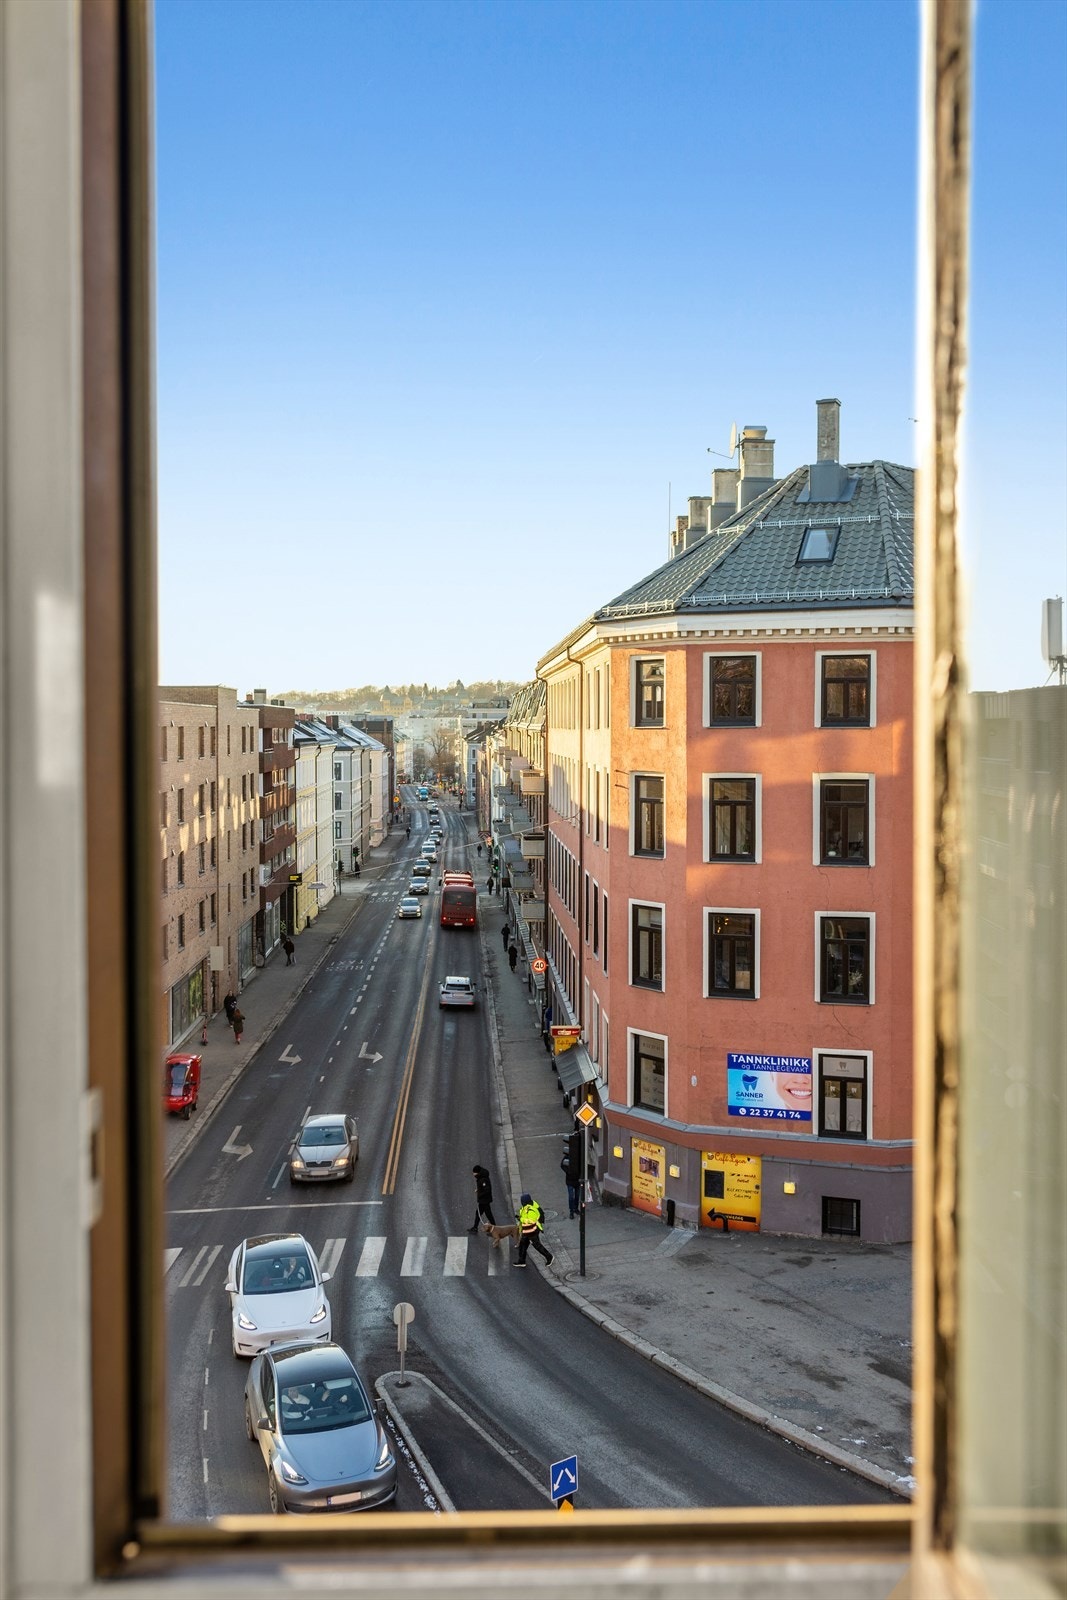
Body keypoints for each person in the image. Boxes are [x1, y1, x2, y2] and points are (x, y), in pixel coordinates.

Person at [513, 1192, 553, 1268]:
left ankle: (549, 1257)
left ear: (524, 1202)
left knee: (536, 1245)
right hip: (527, 1230)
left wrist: (520, 1218)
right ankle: (521, 1261)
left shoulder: (531, 1209)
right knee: (523, 1244)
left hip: (533, 1230)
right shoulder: (528, 1206)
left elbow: (531, 1220)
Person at [467, 1164, 496, 1231]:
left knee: (488, 1214)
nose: (473, 1174)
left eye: (474, 1172)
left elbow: (487, 1190)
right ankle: (475, 1227)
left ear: (477, 1172)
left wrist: (479, 1193)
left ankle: (494, 1228)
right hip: (483, 1200)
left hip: (484, 1200)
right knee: (479, 1213)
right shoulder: (481, 1177)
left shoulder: (483, 1179)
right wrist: (479, 1190)